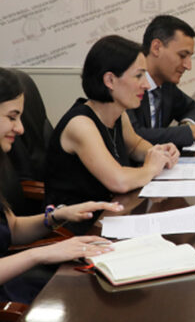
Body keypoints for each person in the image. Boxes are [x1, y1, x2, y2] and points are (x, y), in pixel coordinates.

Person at [0, 61, 122, 308]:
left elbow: (11, 227)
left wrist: (57, 216)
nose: (21, 128)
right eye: (12, 117)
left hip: (6, 288)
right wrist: (36, 255)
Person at [45, 35, 179, 216]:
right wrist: (151, 168)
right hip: (79, 224)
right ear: (109, 80)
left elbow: (135, 146)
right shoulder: (81, 125)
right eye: (139, 76)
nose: (147, 85)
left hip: (111, 212)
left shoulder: (119, 115)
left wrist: (159, 153)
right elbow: (119, 181)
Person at [127, 15, 195, 148]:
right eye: (182, 56)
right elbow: (133, 136)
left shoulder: (165, 86)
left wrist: (187, 126)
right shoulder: (126, 83)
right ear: (156, 48)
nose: (188, 66)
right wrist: (194, 132)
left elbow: (192, 108)